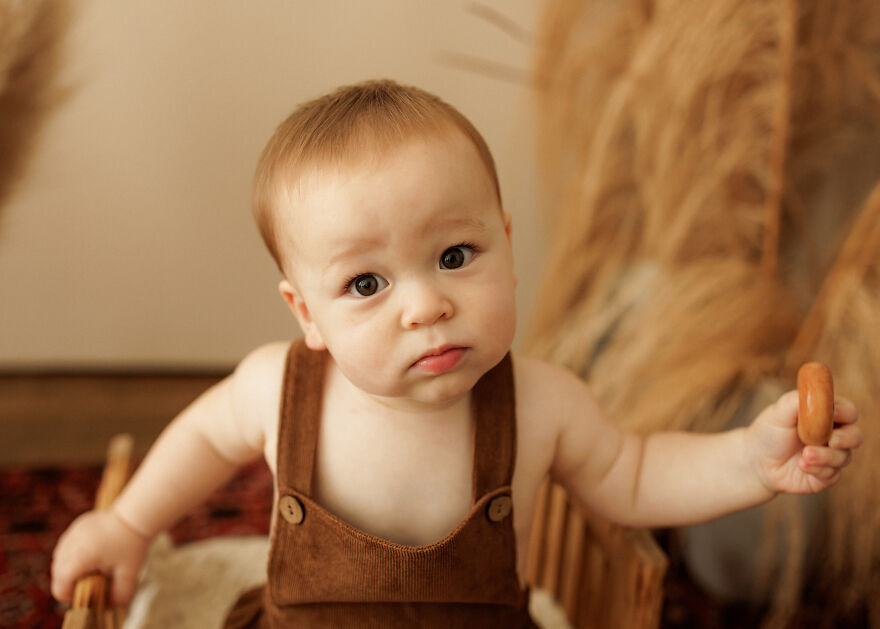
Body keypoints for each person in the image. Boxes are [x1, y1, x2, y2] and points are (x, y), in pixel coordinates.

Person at [50, 79, 863, 628]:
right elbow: (200, 439)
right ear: (310, 316)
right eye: (366, 283)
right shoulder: (281, 388)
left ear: (506, 250)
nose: (426, 304)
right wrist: (127, 523)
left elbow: (637, 473)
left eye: (453, 256)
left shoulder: (541, 401)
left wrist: (751, 460)